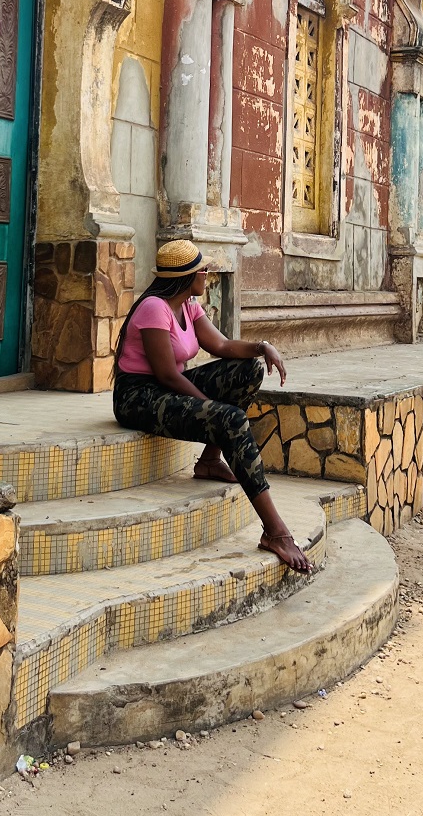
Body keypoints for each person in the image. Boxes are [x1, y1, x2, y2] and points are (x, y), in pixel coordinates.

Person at [113, 239, 311, 572]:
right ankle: (275, 532)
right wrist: (210, 409)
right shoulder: (154, 308)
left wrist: (262, 347)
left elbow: (221, 345)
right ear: (187, 275)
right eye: (203, 269)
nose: (207, 273)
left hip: (168, 386)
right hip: (138, 397)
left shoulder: (189, 306)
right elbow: (166, 374)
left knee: (249, 370)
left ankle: (208, 461)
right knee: (228, 419)